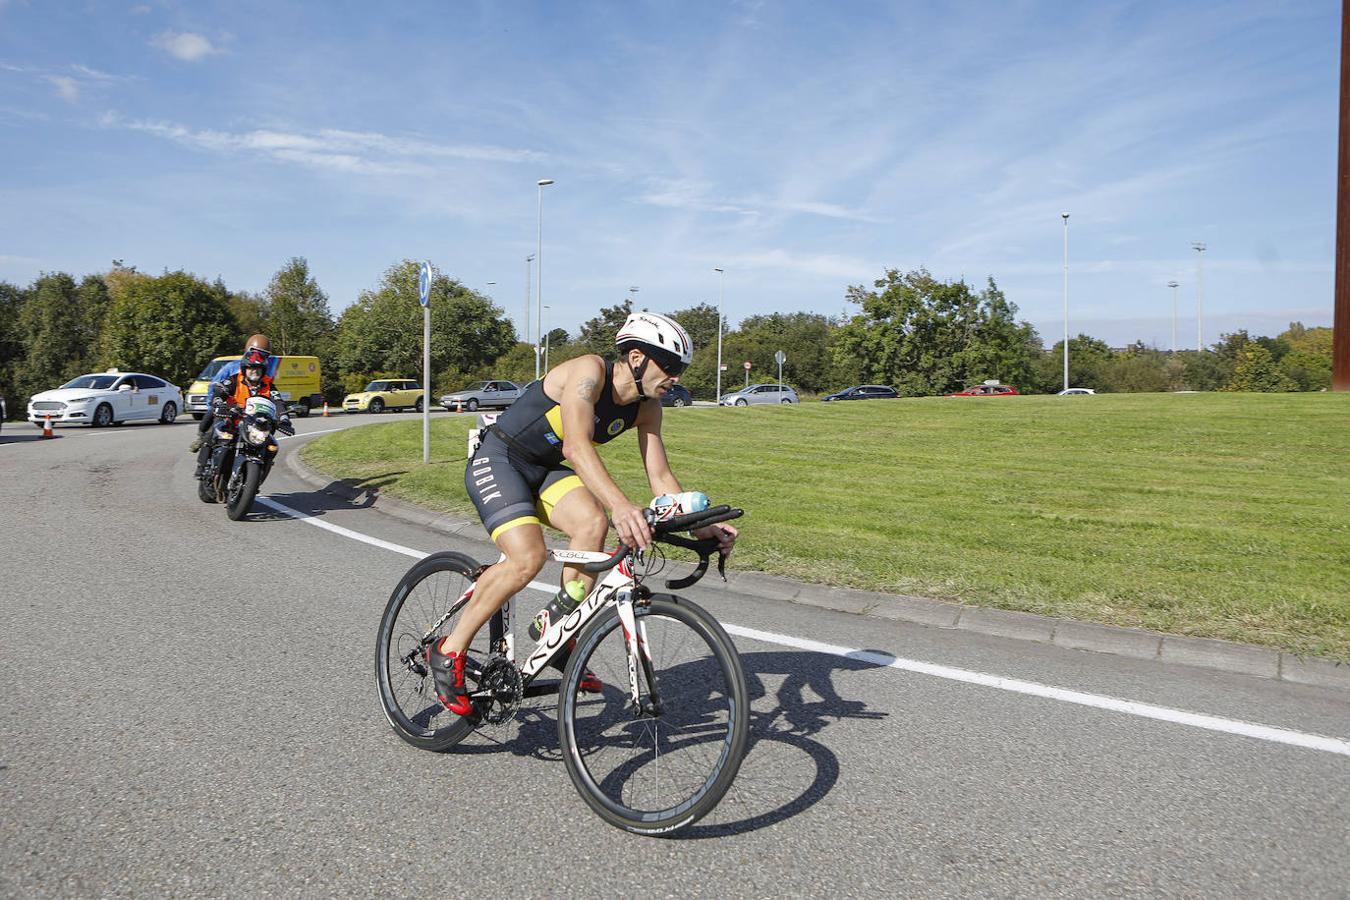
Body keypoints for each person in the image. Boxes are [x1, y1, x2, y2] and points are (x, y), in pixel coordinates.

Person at [427, 312, 739, 715]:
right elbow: (576, 445)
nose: (675, 377)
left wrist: (703, 527)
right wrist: (623, 506)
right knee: (528, 557)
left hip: (544, 471)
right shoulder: (589, 371)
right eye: (671, 366)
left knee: (593, 524)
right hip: (500, 458)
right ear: (638, 357)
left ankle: (556, 629)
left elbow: (660, 475)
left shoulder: (648, 407)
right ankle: (448, 650)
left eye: (681, 370)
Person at [194, 346, 293, 476]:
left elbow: (278, 401)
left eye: (257, 368)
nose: (254, 371)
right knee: (214, 434)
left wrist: (284, 419)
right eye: (250, 368)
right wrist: (219, 402)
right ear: (244, 369)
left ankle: (258, 476)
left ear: (263, 370)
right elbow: (221, 391)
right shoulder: (234, 380)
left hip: (255, 423)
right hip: (231, 416)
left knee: (271, 447)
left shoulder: (269, 385)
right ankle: (202, 467)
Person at [189, 334, 273, 454]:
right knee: (214, 426)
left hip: (251, 411)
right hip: (228, 407)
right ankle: (202, 438)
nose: (261, 357)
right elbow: (215, 384)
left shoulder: (264, 370)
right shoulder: (232, 366)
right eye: (258, 352)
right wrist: (215, 404)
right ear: (248, 350)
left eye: (265, 355)